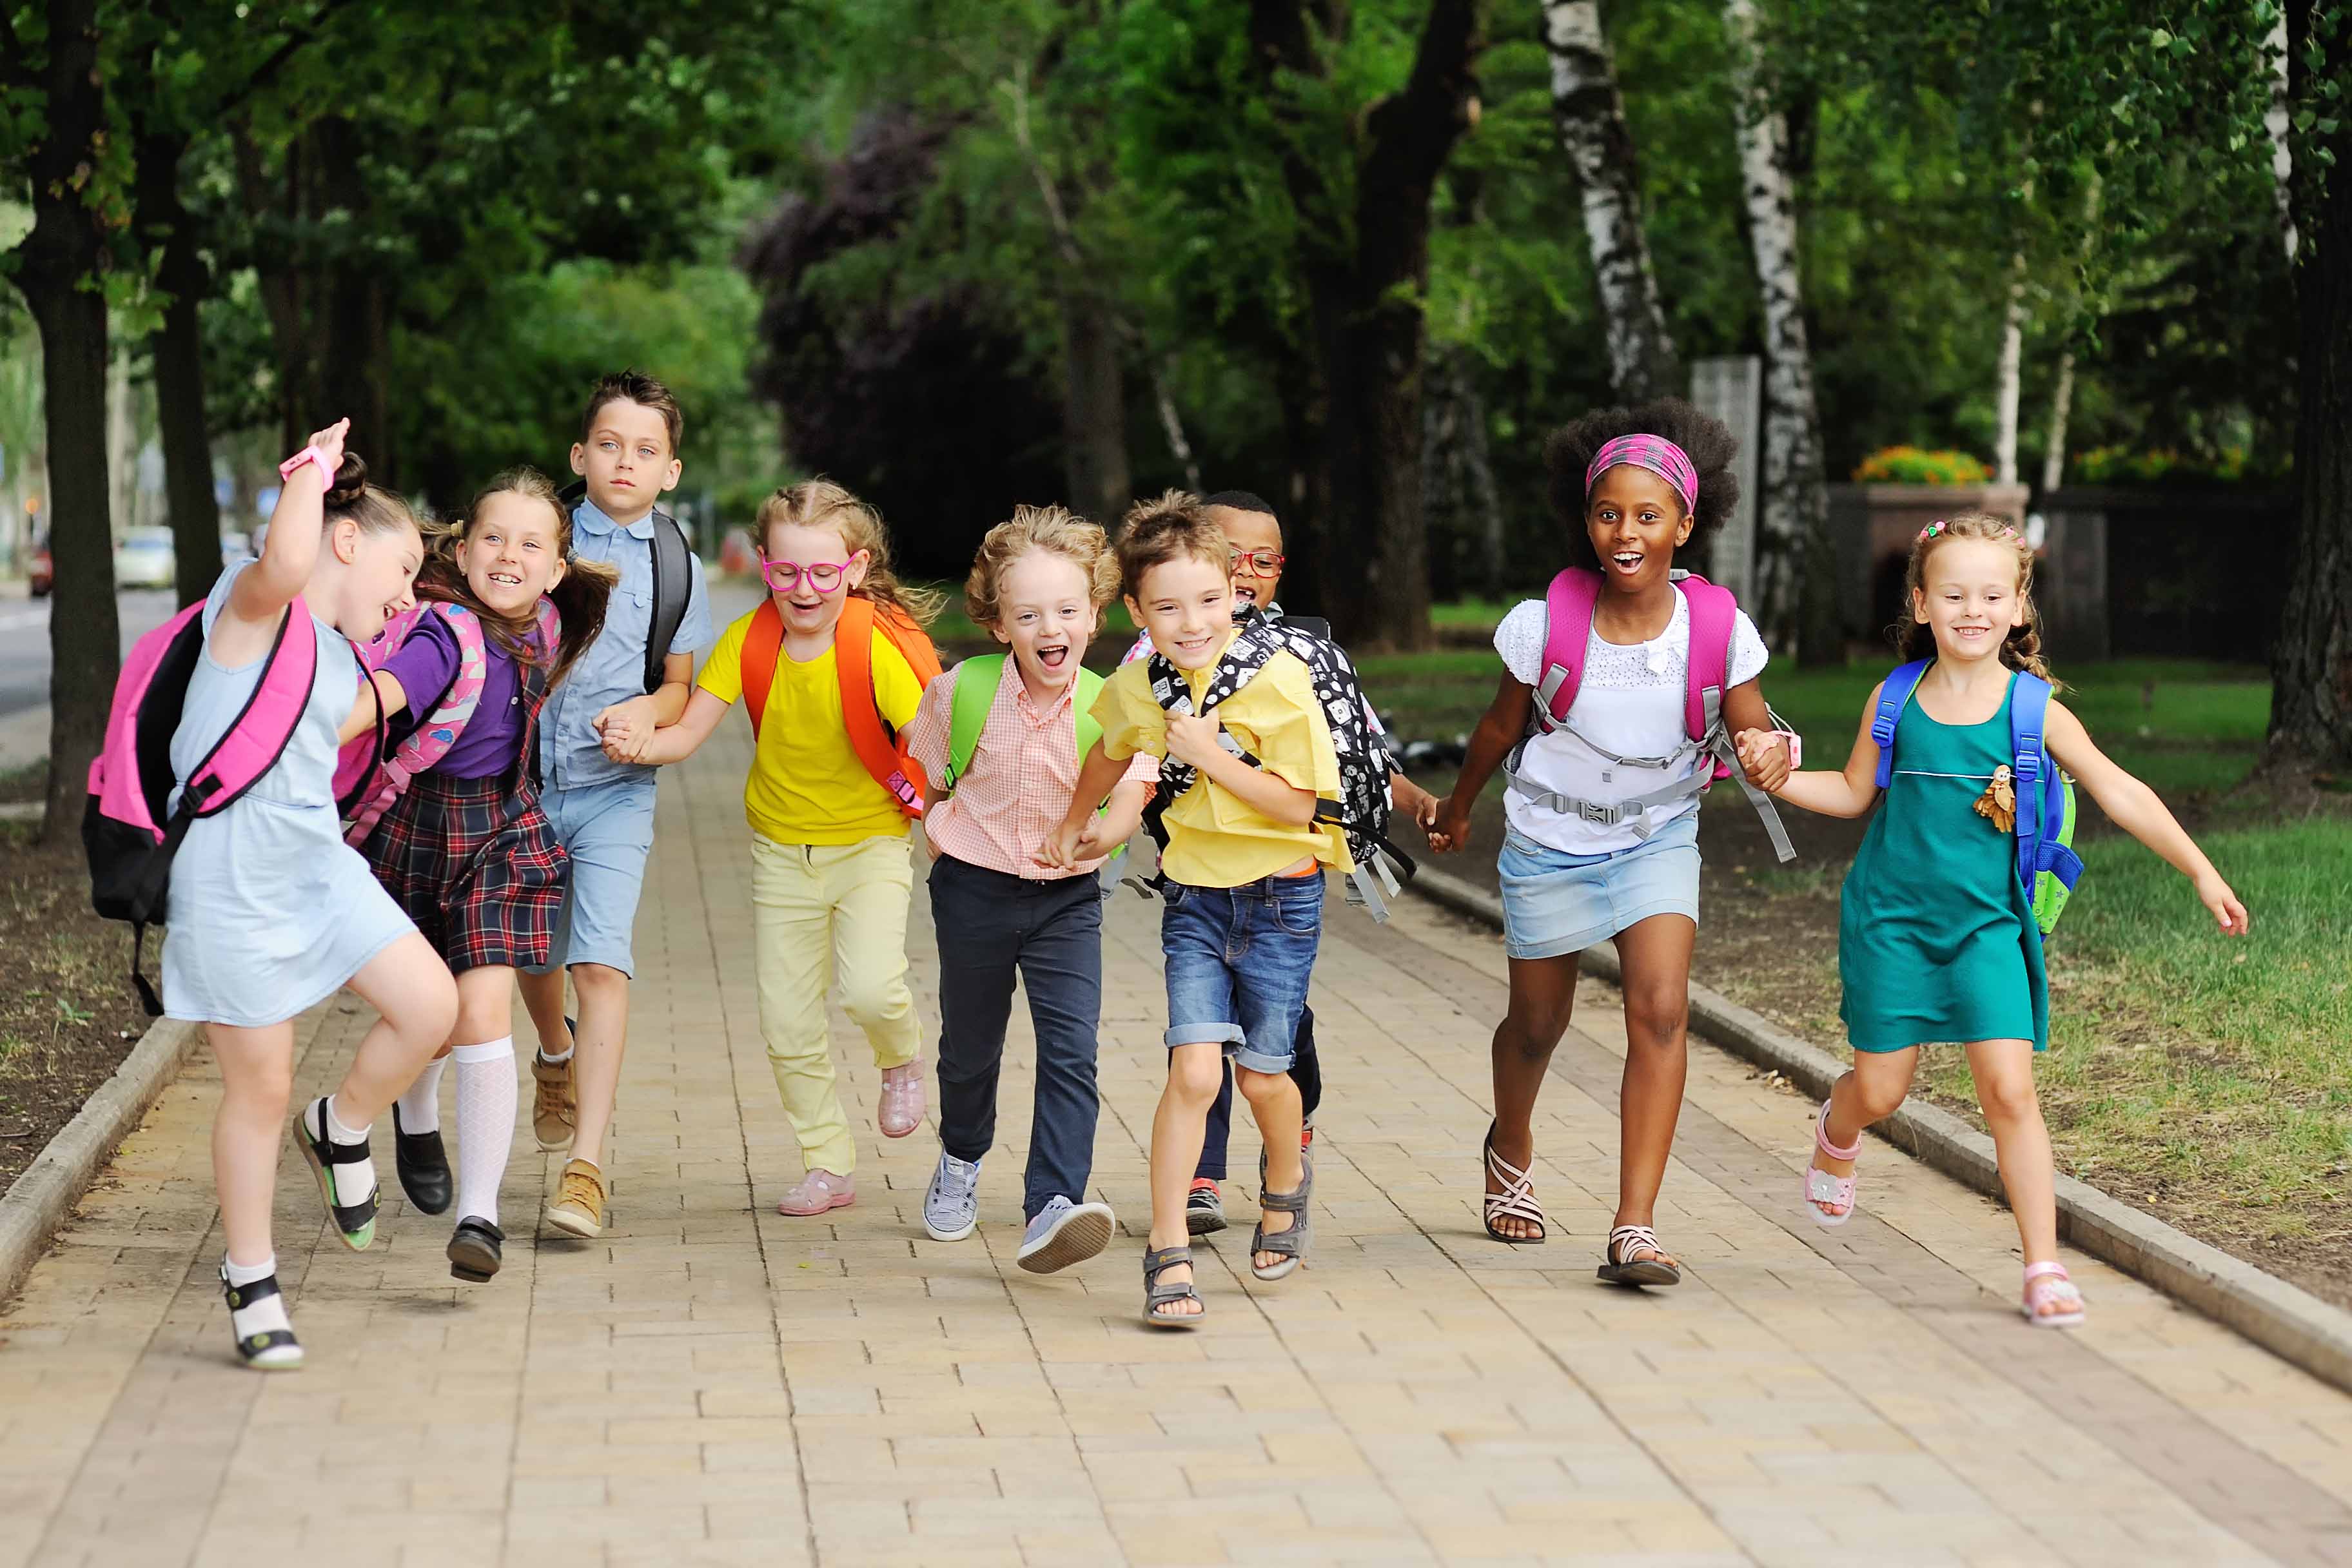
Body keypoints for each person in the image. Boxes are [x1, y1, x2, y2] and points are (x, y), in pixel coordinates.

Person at [1750, 511, 2249, 1328]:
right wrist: (1776, 779)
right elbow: (1848, 793)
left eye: (1991, 593)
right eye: (1952, 593)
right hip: (1892, 922)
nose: (1971, 609)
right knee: (1881, 1087)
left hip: (1988, 927)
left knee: (2010, 1090)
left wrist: (2201, 869)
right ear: (1920, 603)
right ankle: (1837, 1134)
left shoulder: (2034, 709)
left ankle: (2043, 1265)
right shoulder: (1897, 696)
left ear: (2020, 606)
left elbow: (2120, 789)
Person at [1427, 400, 1789, 1284]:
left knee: (1660, 1010)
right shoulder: (1544, 620)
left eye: (1647, 515)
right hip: (1549, 839)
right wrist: (1461, 805)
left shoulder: (1716, 629)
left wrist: (1770, 747)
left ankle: (1635, 1225)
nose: (1625, 532)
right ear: (1587, 520)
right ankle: (1509, 1147)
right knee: (1538, 1025)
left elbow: (1751, 726)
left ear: (1685, 526)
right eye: (1608, 513)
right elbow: (1497, 728)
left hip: (1657, 836)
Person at [167, 418, 458, 1369]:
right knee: (259, 1088)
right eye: (404, 568)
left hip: (317, 864)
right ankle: (251, 1278)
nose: (408, 595)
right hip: (233, 877)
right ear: (345, 539)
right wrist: (311, 468)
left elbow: (357, 724)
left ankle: (344, 1127)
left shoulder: (340, 656)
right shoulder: (250, 609)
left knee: (432, 1006)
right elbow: (285, 561)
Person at [1043, 492, 1346, 1328]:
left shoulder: (1282, 681)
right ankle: (1167, 1247)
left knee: (1263, 1077)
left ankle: (1285, 1181)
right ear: (1137, 611)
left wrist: (1212, 757)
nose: (1193, 621)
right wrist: (1075, 825)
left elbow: (1300, 807)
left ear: (1236, 593)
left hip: (1283, 900)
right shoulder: (1145, 680)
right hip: (1197, 905)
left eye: (1210, 600)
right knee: (1196, 1072)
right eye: (1168, 607)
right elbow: (1109, 753)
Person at [1119, 489, 1438, 1235]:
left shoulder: (1304, 652)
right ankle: (1201, 1173)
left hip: (1281, 879)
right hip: (1195, 867)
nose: (1248, 574)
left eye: (1266, 561)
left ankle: (1288, 1143)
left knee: (1278, 1039)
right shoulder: (1159, 653)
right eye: (1234, 558)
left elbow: (1356, 745)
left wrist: (1413, 798)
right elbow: (1124, 747)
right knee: (1200, 1041)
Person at [632, 480, 939, 1215]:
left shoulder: (874, 645)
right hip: (779, 852)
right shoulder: (748, 641)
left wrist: (955, 824)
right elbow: (686, 734)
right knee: (788, 1023)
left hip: (870, 844)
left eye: (824, 572)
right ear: (763, 566)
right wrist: (638, 740)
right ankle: (827, 1162)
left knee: (871, 986)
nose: (805, 588)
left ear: (856, 569)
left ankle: (900, 1059)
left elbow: (936, 739)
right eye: (787, 571)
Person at [349, 469, 618, 1282]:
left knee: (482, 1005)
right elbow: (385, 697)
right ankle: (417, 1110)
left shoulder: (542, 623)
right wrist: (310, 721)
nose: (510, 555)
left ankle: (482, 1213)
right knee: (428, 1006)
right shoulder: (447, 635)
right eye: (493, 539)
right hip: (420, 828)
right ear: (461, 551)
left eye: (531, 544)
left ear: (556, 570)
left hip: (501, 830)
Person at [901, 505, 1157, 1271]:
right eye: (1029, 613)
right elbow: (928, 773)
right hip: (973, 889)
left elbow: (1129, 803)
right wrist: (942, 834)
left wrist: (1095, 836)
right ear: (998, 622)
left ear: (1094, 612)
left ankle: (1053, 1202)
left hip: (1067, 900)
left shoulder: (1113, 702)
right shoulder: (961, 691)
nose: (1052, 627)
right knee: (970, 1050)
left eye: (1068, 609)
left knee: (1071, 1050)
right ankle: (961, 1156)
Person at [517, 371, 716, 1240]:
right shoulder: (536, 537)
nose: (624, 461)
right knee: (530, 958)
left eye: (645, 450)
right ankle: (553, 1054)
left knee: (599, 965)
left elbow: (679, 689)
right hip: (518, 785)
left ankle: (586, 1170)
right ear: (580, 455)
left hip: (615, 794)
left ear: (670, 469)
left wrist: (649, 713)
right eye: (609, 444)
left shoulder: (678, 566)